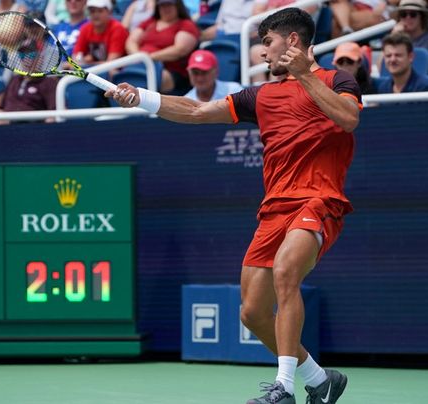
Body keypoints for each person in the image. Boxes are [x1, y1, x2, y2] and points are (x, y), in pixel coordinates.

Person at [109, 8, 359, 404]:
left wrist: (306, 76)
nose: (262, 53)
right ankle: (318, 378)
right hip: (274, 206)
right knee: (252, 312)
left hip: (318, 198)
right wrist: (142, 98)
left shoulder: (337, 80)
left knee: (286, 273)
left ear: (293, 41)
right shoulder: (258, 96)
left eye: (267, 42)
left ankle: (284, 387)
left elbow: (348, 119)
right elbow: (196, 110)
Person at [125, 0, 200, 94]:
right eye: (162, 5)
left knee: (153, 77)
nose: (166, 8)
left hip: (170, 70)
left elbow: (180, 49)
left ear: (177, 6)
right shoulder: (149, 22)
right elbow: (131, 41)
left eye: (169, 5)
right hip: (139, 63)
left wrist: (149, 58)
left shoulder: (186, 24)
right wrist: (138, 56)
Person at [73, 0, 129, 65]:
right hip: (94, 69)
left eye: (100, 11)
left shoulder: (118, 29)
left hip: (117, 71)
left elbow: (111, 64)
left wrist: (85, 62)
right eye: (92, 11)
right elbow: (76, 57)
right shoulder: (85, 28)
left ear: (109, 12)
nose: (96, 15)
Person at [391, 0, 428, 68]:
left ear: (422, 18)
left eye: (413, 14)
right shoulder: (398, 38)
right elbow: (382, 66)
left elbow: (418, 66)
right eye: (403, 14)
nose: (408, 18)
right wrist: (393, 38)